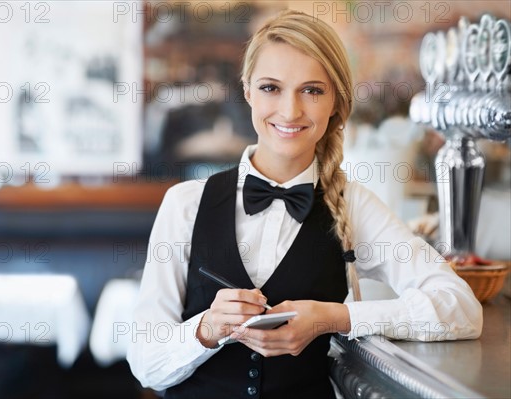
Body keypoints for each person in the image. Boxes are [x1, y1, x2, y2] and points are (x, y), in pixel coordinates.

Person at [127, 10, 482, 398]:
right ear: (247, 90)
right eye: (270, 88)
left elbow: (459, 307)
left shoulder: (352, 206)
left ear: (335, 102)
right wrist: (206, 330)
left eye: (312, 90)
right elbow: (146, 363)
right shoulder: (184, 205)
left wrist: (334, 317)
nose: (290, 110)